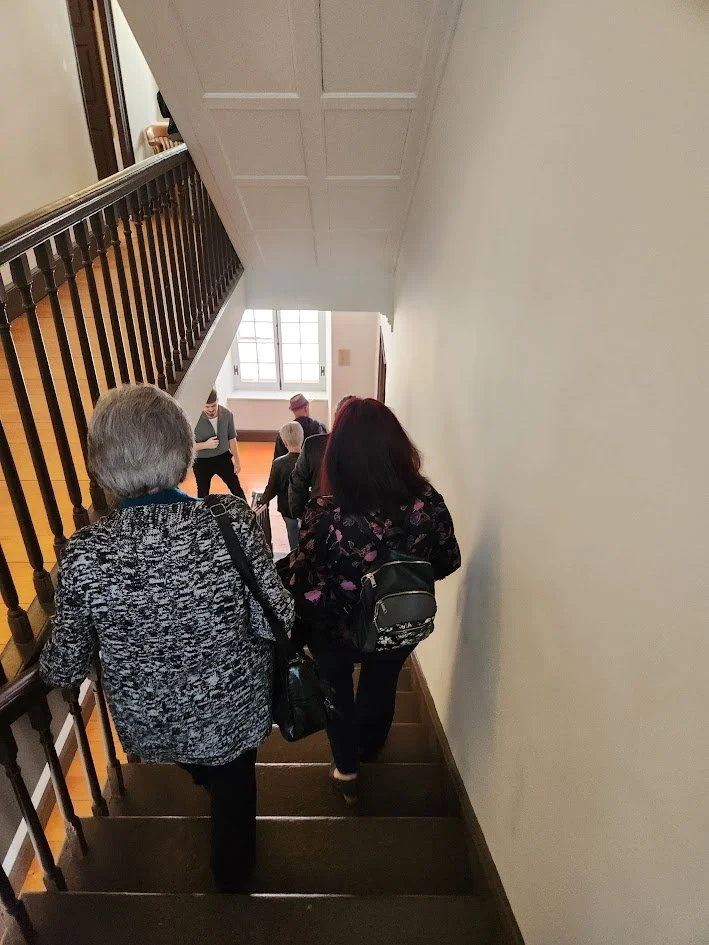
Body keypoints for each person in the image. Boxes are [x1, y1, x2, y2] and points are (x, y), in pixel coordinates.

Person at [40, 384, 294, 892]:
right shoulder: (229, 523)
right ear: (181, 450)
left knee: (200, 762)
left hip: (150, 718)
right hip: (232, 708)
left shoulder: (85, 553)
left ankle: (203, 774)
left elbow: (61, 666)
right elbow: (276, 618)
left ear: (102, 464)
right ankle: (233, 876)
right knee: (234, 789)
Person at [278, 398, 460, 805]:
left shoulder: (324, 512)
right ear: (398, 447)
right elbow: (447, 561)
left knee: (336, 688)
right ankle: (371, 746)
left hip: (333, 628)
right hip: (395, 620)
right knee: (382, 680)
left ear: (337, 453)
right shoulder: (426, 503)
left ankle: (347, 768)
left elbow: (303, 581)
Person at [288, 395, 355, 518]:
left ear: (335, 417)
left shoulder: (312, 444)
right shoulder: (371, 449)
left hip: (321, 517)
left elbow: (297, 484)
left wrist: (301, 515)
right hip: (357, 520)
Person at [256, 422, 304, 551]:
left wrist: (263, 501)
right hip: (306, 508)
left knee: (292, 534)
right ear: (302, 438)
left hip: (287, 508)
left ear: (284, 442)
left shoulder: (279, 463)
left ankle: (295, 558)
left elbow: (272, 488)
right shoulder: (309, 460)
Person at [193, 390, 245, 500]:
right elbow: (187, 446)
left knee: (236, 488)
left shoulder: (227, 414)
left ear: (217, 401)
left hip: (223, 458)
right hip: (201, 461)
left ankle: (248, 514)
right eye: (207, 407)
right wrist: (205, 445)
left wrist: (237, 461)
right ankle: (203, 516)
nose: (211, 409)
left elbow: (232, 438)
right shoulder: (193, 417)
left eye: (213, 405)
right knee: (203, 493)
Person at [273, 393, 326, 459]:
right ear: (306, 408)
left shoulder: (284, 433)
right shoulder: (320, 428)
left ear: (292, 411)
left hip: (291, 468)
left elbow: (277, 460)